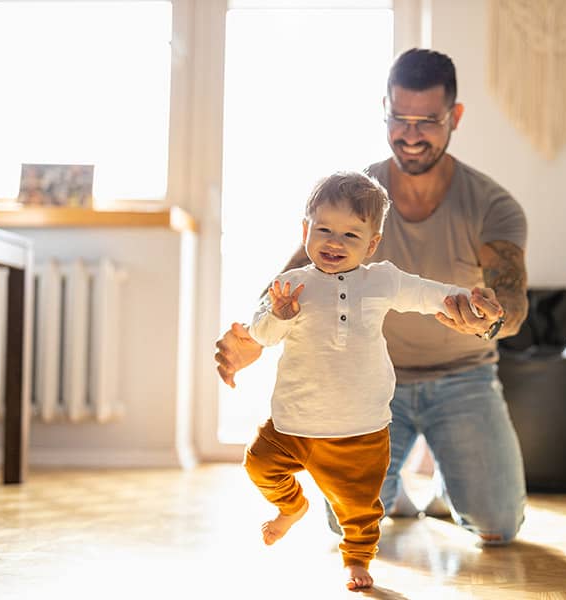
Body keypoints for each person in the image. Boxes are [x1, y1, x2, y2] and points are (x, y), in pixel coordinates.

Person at [216, 48, 529, 546]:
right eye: (399, 118)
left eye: (427, 121)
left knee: (497, 526)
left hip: (464, 379)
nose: (410, 134)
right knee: (346, 524)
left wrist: (489, 319)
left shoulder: (491, 205)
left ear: (456, 117)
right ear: (383, 108)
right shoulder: (355, 197)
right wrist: (255, 334)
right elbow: (290, 280)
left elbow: (511, 301)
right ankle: (396, 494)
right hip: (364, 389)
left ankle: (453, 480)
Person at [243, 171, 503, 590]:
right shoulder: (291, 286)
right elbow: (261, 334)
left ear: (372, 244)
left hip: (360, 427)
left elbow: (428, 293)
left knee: (360, 508)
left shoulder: (381, 279)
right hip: (292, 423)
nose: (334, 242)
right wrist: (279, 316)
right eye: (324, 229)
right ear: (306, 230)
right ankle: (291, 507)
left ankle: (356, 560)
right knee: (259, 465)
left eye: (350, 235)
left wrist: (468, 298)